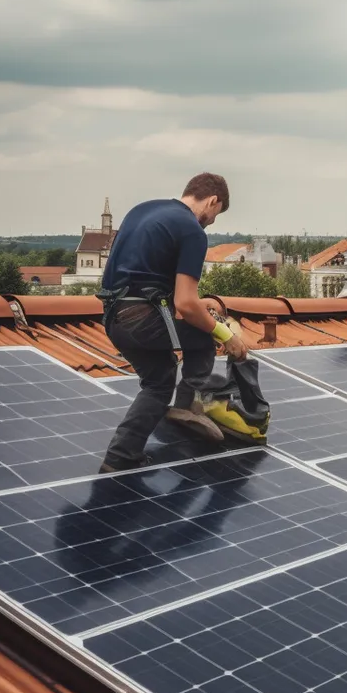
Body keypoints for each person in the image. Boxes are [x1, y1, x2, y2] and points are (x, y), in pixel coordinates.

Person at [96, 173, 249, 473]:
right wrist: (225, 335)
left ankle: (120, 457)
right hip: (141, 319)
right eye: (215, 215)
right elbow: (186, 305)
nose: (211, 222)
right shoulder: (193, 231)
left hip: (114, 318)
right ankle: (185, 406)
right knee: (203, 336)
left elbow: (145, 279)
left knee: (158, 382)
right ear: (212, 200)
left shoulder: (143, 210)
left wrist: (196, 306)